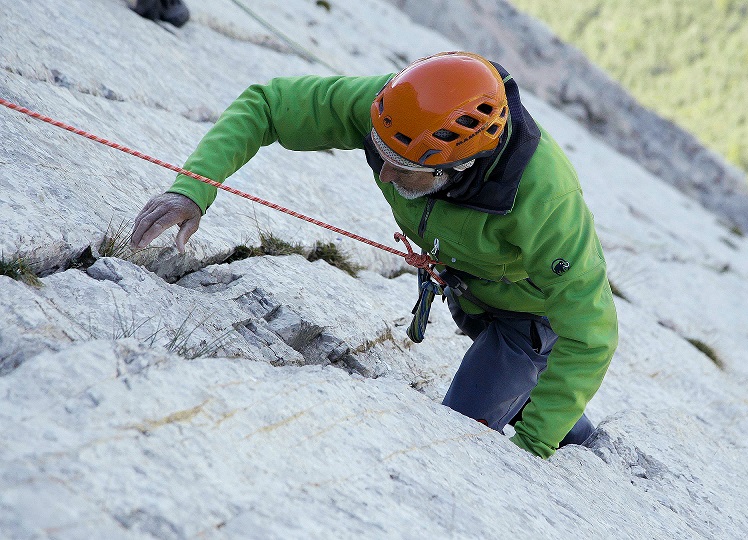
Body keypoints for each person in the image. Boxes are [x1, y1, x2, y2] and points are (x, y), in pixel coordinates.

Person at [130, 52, 618, 459]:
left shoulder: (546, 202)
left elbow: (591, 332)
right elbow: (270, 105)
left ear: (460, 166)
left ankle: (572, 438)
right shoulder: (402, 109)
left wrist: (533, 449)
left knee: (457, 436)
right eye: (377, 152)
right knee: (514, 385)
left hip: (526, 316)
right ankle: (579, 435)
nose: (384, 174)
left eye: (403, 168)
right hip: (469, 291)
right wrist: (193, 189)